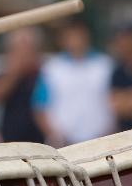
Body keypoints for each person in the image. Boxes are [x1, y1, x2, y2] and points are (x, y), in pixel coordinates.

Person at [33, 18, 114, 147]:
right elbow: (40, 107)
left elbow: (115, 100)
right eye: (71, 36)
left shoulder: (105, 65)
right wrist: (55, 135)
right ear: (63, 39)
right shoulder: (52, 68)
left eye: (79, 35)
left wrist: (110, 132)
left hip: (102, 141)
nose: (76, 40)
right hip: (65, 144)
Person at [0, 26, 46, 143]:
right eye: (18, 49)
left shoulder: (45, 73)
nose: (23, 54)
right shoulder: (5, 73)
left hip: (39, 140)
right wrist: (15, 73)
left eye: (28, 49)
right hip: (10, 140)